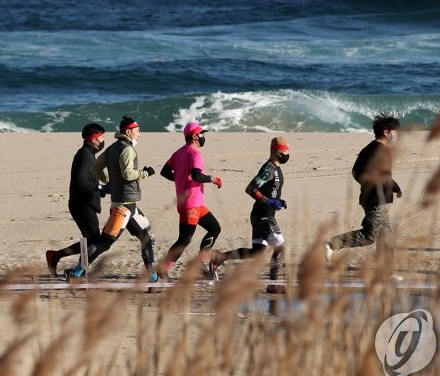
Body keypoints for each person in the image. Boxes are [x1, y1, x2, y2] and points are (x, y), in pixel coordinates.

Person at [66, 115, 158, 282]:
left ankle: (152, 275)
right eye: (137, 131)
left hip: (128, 205)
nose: (139, 134)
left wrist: (109, 180)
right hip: (123, 207)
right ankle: (76, 272)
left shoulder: (112, 148)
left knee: (147, 236)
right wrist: (145, 173)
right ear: (128, 132)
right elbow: (128, 173)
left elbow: (96, 168)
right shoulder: (127, 149)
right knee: (105, 243)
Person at [212, 136, 291, 294]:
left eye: (288, 151)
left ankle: (220, 257)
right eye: (284, 152)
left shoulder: (276, 169)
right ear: (276, 152)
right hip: (263, 216)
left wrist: (278, 200)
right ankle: (273, 284)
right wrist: (269, 202)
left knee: (256, 252)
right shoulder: (269, 169)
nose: (287, 154)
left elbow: (269, 190)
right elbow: (251, 188)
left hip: (262, 214)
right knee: (281, 248)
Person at [325, 114, 402, 261]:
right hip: (376, 200)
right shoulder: (380, 150)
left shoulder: (370, 148)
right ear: (386, 132)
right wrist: (382, 186)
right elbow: (372, 175)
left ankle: (385, 266)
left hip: (376, 198)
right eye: (395, 131)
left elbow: (358, 172)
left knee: (386, 233)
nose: (397, 135)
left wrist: (387, 186)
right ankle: (331, 244)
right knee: (370, 236)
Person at [158, 122, 223, 280]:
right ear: (194, 136)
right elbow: (196, 175)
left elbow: (164, 171)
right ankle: (163, 268)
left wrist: (179, 179)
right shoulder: (195, 154)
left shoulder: (179, 153)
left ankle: (198, 264)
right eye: (201, 134)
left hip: (197, 204)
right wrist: (213, 179)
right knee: (184, 240)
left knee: (214, 228)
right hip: (191, 205)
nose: (203, 137)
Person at [45, 123, 108, 278]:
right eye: (102, 137)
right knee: (94, 241)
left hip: (83, 203)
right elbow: (80, 181)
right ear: (94, 139)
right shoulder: (85, 155)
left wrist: (99, 189)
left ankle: (60, 258)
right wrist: (99, 188)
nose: (103, 140)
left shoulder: (88, 153)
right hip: (82, 204)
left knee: (92, 240)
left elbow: (86, 179)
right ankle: (64, 261)